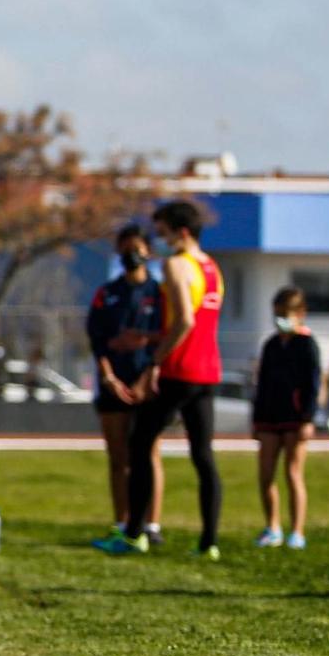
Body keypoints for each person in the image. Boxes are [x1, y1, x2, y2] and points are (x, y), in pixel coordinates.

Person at [97, 200, 224, 559]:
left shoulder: (177, 265)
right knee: (203, 455)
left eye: (164, 232)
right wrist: (150, 337)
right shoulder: (211, 267)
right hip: (207, 370)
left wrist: (154, 361)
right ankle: (209, 542)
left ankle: (135, 532)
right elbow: (198, 322)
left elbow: (184, 320)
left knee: (139, 444)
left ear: (181, 232)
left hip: (179, 370)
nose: (161, 241)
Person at [86, 224, 164, 542]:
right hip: (113, 385)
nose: (133, 255)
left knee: (149, 455)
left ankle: (151, 524)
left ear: (148, 251)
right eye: (126, 248)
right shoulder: (107, 294)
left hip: (148, 384)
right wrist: (108, 377)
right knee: (119, 458)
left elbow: (166, 337)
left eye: (139, 248)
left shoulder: (159, 294)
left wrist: (148, 376)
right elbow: (98, 339)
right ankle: (122, 521)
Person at [252, 286, 320, 550]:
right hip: (270, 416)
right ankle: (272, 528)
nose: (280, 319)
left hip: (295, 417)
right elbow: (262, 383)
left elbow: (313, 384)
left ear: (300, 314)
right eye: (277, 314)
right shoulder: (270, 345)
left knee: (293, 473)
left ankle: (297, 532)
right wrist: (257, 420)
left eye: (286, 314)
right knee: (266, 474)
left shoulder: (306, 344)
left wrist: (308, 418)